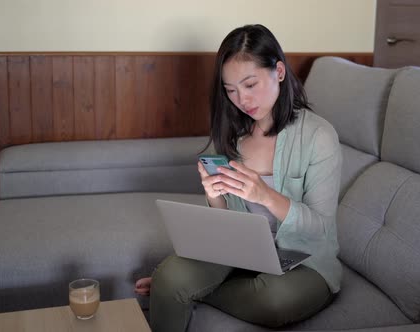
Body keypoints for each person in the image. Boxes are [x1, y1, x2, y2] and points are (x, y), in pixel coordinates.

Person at [135, 24, 342, 332]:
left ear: (280, 72)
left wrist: (266, 196)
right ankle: (175, 287)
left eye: (250, 84)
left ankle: (185, 293)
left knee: (275, 301)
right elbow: (230, 223)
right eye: (230, 90)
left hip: (306, 261)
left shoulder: (319, 136)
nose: (241, 99)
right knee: (172, 275)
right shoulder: (235, 136)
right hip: (244, 254)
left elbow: (321, 228)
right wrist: (215, 195)